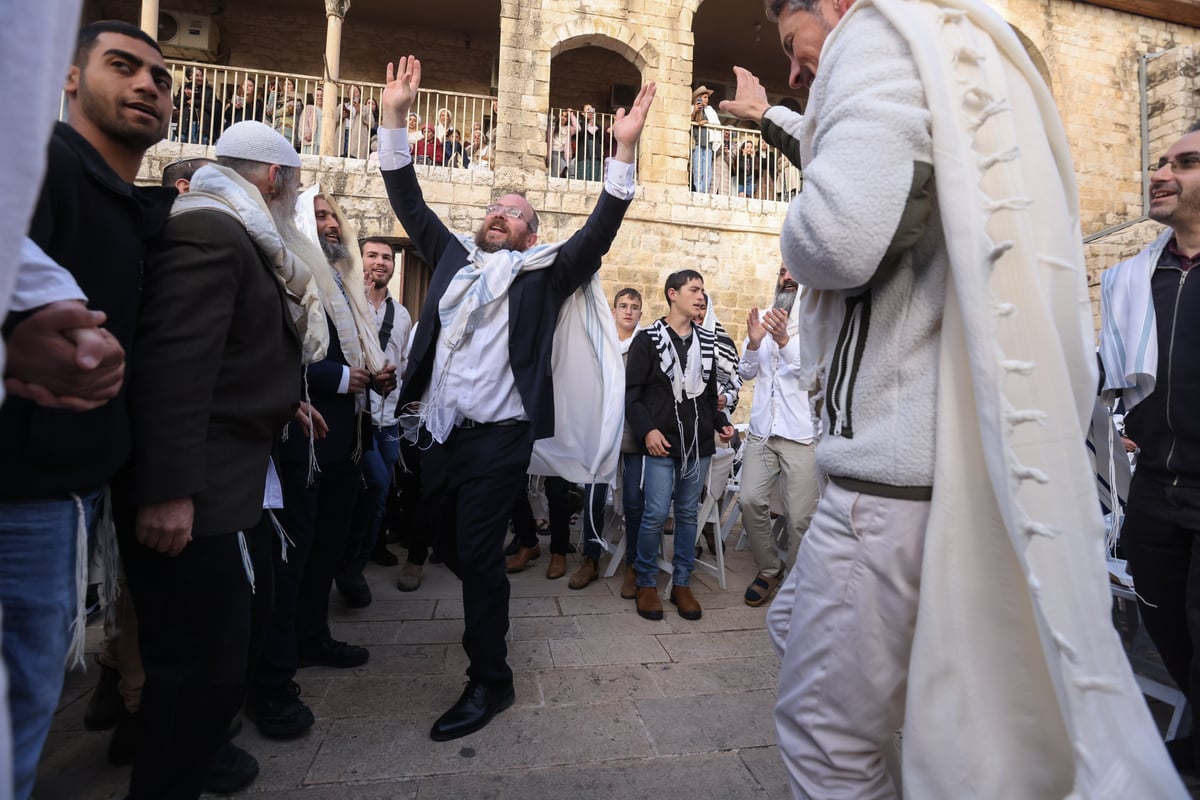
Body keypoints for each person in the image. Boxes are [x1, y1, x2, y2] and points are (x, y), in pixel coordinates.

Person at [748, 0, 1183, 797]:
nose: (794, 69)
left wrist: (791, 227)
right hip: (933, 459)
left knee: (824, 739)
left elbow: (840, 237)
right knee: (794, 629)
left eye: (791, 42)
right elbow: (879, 169)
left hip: (886, 471)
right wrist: (778, 118)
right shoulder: (956, 47)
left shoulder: (874, 36)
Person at [377, 55, 655, 741]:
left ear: (531, 233)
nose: (501, 214)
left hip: (500, 436)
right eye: (495, 208)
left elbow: (598, 233)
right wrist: (394, 118)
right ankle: (469, 591)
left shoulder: (542, 273)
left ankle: (490, 681)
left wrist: (621, 149)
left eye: (515, 212)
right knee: (437, 536)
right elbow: (407, 198)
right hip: (440, 430)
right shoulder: (450, 259)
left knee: (475, 553)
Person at [120, 120, 323, 800]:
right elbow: (177, 361)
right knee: (198, 666)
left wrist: (278, 400)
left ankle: (198, 758)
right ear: (272, 179)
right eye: (291, 187)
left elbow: (233, 347)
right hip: (198, 490)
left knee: (233, 638)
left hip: (230, 478)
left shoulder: (243, 233)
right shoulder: (210, 228)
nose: (293, 199)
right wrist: (169, 490)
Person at [1, 21, 175, 800]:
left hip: (71, 491)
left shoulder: (126, 203)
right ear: (69, 80)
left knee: (31, 694)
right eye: (123, 66)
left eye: (160, 77)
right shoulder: (38, 170)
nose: (147, 84)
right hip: (21, 491)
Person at [248, 186, 393, 738]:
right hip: (300, 441)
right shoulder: (284, 269)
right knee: (292, 555)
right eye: (318, 215)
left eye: (334, 216)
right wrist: (336, 376)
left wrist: (377, 373)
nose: (329, 225)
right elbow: (272, 355)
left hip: (345, 440)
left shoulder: (344, 284)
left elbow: (358, 351)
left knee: (325, 548)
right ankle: (275, 667)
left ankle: (313, 636)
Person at [1100, 122, 1200, 778]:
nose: (1160, 174)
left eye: (1184, 163)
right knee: (1165, 619)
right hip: (1156, 491)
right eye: (1160, 162)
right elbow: (1113, 369)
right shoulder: (1138, 277)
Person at [624, 270, 733, 621]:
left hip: (697, 446)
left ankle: (682, 583)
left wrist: (722, 423)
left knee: (687, 515)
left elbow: (709, 396)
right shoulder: (648, 340)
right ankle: (645, 582)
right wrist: (648, 432)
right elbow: (632, 396)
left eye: (703, 290)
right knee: (655, 514)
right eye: (694, 289)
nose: (701, 296)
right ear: (673, 294)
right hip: (660, 444)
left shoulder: (706, 342)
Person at [736, 265, 818, 606]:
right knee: (749, 501)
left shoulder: (817, 323)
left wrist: (784, 341)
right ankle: (770, 570)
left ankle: (798, 580)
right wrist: (754, 344)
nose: (787, 275)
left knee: (800, 517)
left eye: (794, 271)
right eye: (783, 270)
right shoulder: (764, 317)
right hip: (761, 433)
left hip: (800, 436)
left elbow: (810, 373)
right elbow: (746, 372)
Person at [568, 287, 644, 591]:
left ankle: (633, 565)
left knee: (635, 500)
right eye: (623, 306)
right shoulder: (600, 343)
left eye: (634, 306)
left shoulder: (646, 344)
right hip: (602, 430)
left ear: (640, 313)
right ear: (613, 311)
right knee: (593, 496)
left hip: (634, 431)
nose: (628, 311)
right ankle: (590, 559)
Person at [346, 237, 412, 575]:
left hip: (387, 420)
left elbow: (401, 364)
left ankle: (367, 549)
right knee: (371, 485)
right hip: (354, 416)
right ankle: (351, 564)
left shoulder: (401, 315)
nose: (380, 262)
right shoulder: (345, 305)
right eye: (371, 255)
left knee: (382, 491)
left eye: (387, 257)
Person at [174, 67, 219, 145]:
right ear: (190, 77)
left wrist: (196, 102)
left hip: (202, 127)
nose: (200, 78)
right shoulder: (184, 88)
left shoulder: (208, 90)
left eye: (201, 75)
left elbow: (214, 108)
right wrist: (186, 97)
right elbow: (177, 104)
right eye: (197, 75)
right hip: (185, 126)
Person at [689, 86, 720, 193]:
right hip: (696, 143)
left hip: (708, 143)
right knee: (698, 169)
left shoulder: (710, 110)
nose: (706, 99)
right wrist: (695, 112)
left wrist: (705, 122)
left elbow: (716, 124)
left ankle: (705, 191)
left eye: (707, 97)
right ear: (698, 98)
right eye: (704, 97)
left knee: (707, 170)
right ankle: (698, 190)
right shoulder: (692, 108)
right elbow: (686, 121)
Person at [573, 104, 605, 182]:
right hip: (584, 154)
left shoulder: (597, 125)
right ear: (582, 113)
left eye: (591, 110)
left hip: (595, 154)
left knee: (595, 176)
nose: (590, 112)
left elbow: (601, 138)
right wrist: (586, 124)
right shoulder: (580, 124)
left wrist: (594, 125)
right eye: (588, 110)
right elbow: (578, 135)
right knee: (583, 176)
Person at [546, 107, 578, 178]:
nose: (563, 118)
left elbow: (578, 128)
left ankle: (561, 175)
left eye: (565, 116)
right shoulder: (552, 127)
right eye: (562, 115)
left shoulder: (569, 129)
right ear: (559, 116)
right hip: (554, 152)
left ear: (567, 119)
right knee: (557, 167)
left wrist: (572, 115)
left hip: (563, 154)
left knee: (559, 169)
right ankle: (561, 174)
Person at [299, 85, 324, 155]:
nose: (320, 97)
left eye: (322, 95)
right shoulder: (309, 107)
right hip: (311, 139)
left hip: (322, 140)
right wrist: (306, 133)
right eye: (317, 95)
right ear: (314, 97)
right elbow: (303, 121)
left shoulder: (326, 112)